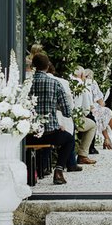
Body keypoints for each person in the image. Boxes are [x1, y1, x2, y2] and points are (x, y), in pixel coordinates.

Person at [25, 52, 77, 185]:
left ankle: (31, 171)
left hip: (28, 134)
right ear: (47, 66)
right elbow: (67, 112)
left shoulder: (25, 84)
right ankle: (58, 171)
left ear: (34, 66)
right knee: (69, 139)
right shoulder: (55, 83)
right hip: (50, 133)